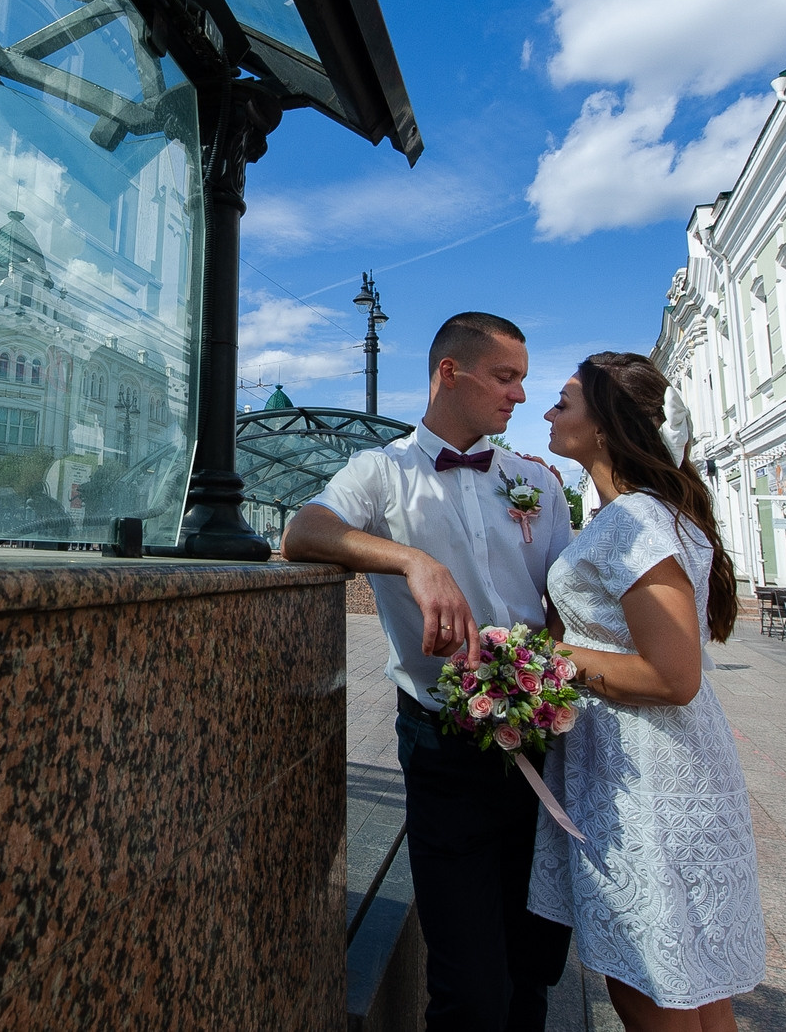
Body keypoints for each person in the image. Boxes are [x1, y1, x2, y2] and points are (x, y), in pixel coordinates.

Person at [282, 312, 573, 1032]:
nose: (520, 397)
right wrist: (415, 559)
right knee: (469, 987)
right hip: (444, 749)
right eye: (506, 377)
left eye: (524, 380)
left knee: (531, 966)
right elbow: (301, 532)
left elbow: (567, 604)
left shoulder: (533, 480)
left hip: (545, 742)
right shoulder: (382, 471)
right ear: (451, 372)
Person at [529, 352, 765, 1031]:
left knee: (649, 980)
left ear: (603, 426)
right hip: (638, 763)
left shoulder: (637, 519)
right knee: (684, 980)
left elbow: (673, 675)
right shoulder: (636, 513)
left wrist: (543, 656)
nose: (549, 411)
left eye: (564, 401)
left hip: (648, 779)